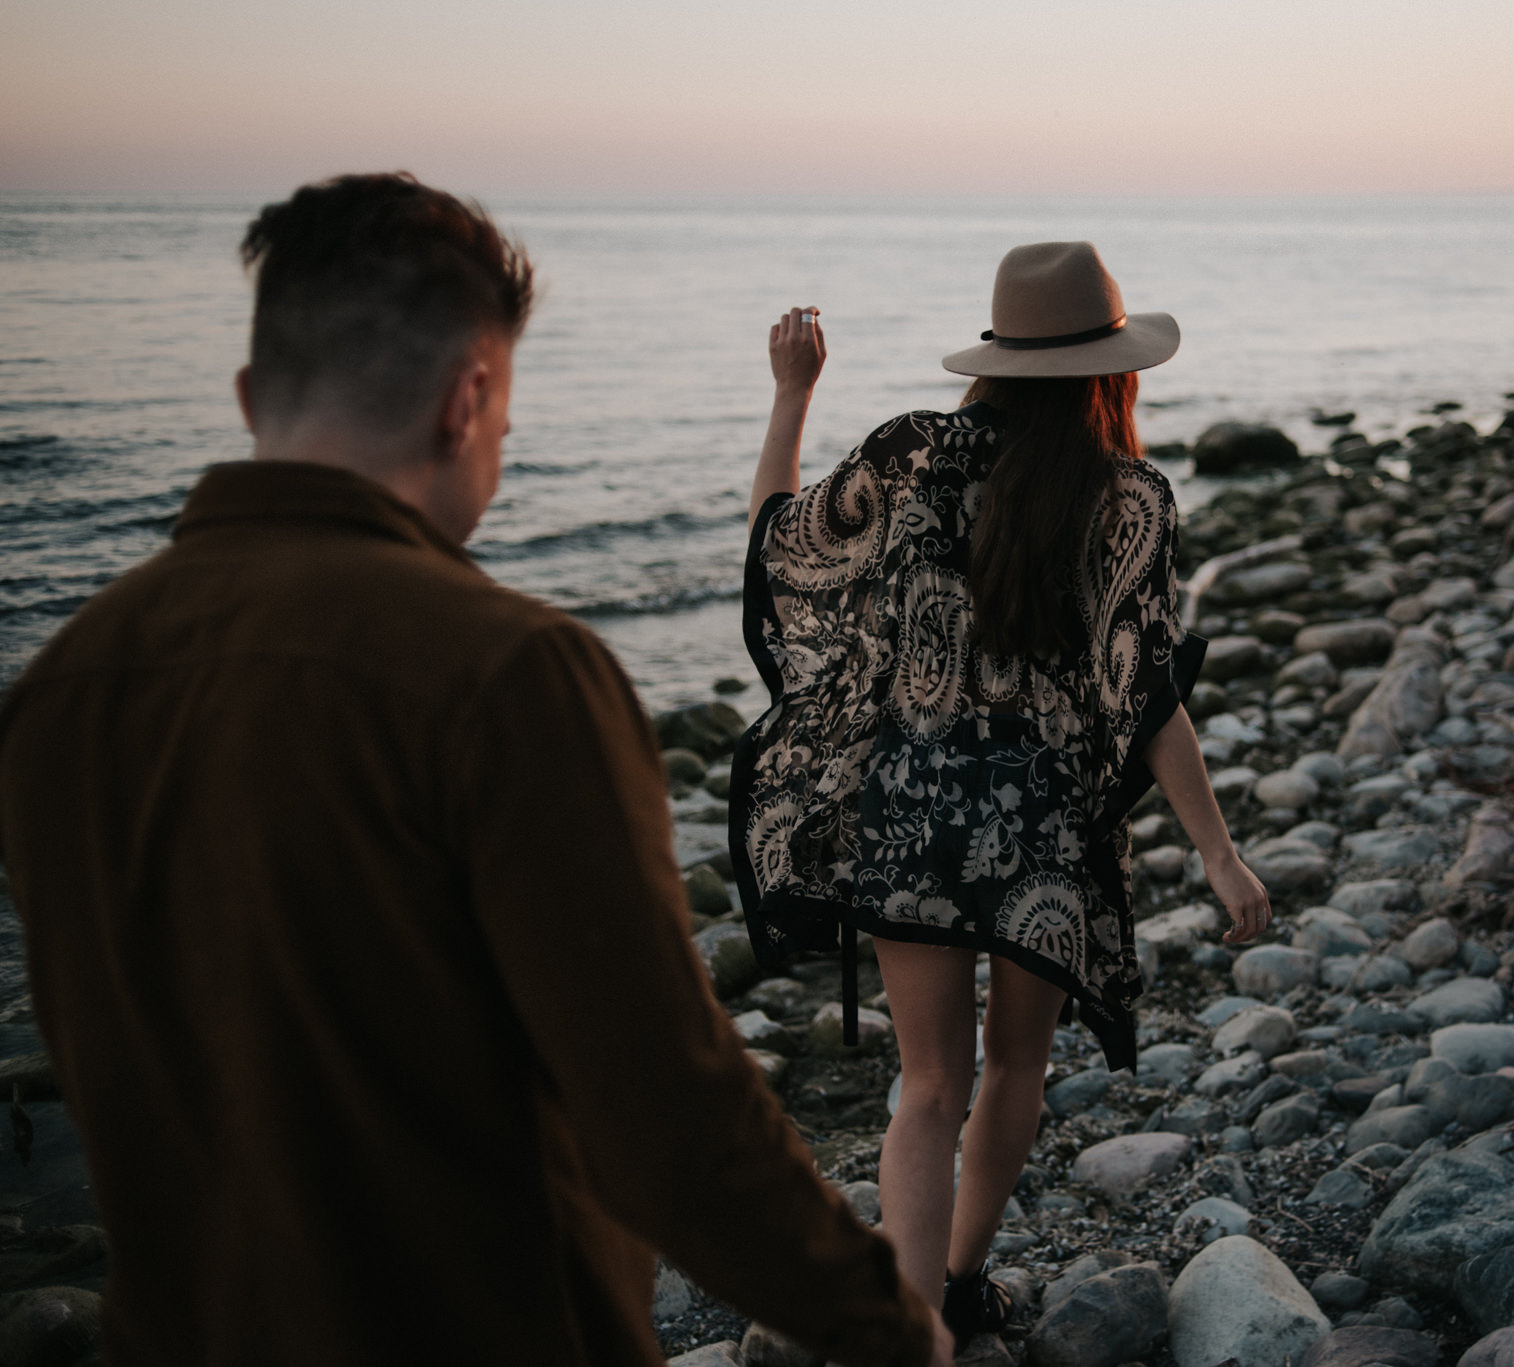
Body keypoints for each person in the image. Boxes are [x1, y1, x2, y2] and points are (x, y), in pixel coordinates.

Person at [0, 172, 946, 1367]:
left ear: (248, 397)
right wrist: (882, 1322)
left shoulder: (57, 692)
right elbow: (664, 1107)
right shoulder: (510, 673)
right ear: (469, 397)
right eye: (504, 418)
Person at [731, 242, 1271, 1345]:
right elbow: (1149, 691)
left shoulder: (908, 455)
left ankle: (914, 1325)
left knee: (927, 1083)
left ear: (996, 356)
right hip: (1046, 826)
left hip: (910, 804)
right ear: (1110, 370)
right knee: (1016, 1062)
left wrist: (790, 395)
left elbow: (777, 549)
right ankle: (965, 1278)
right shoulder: (1127, 496)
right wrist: (1216, 850)